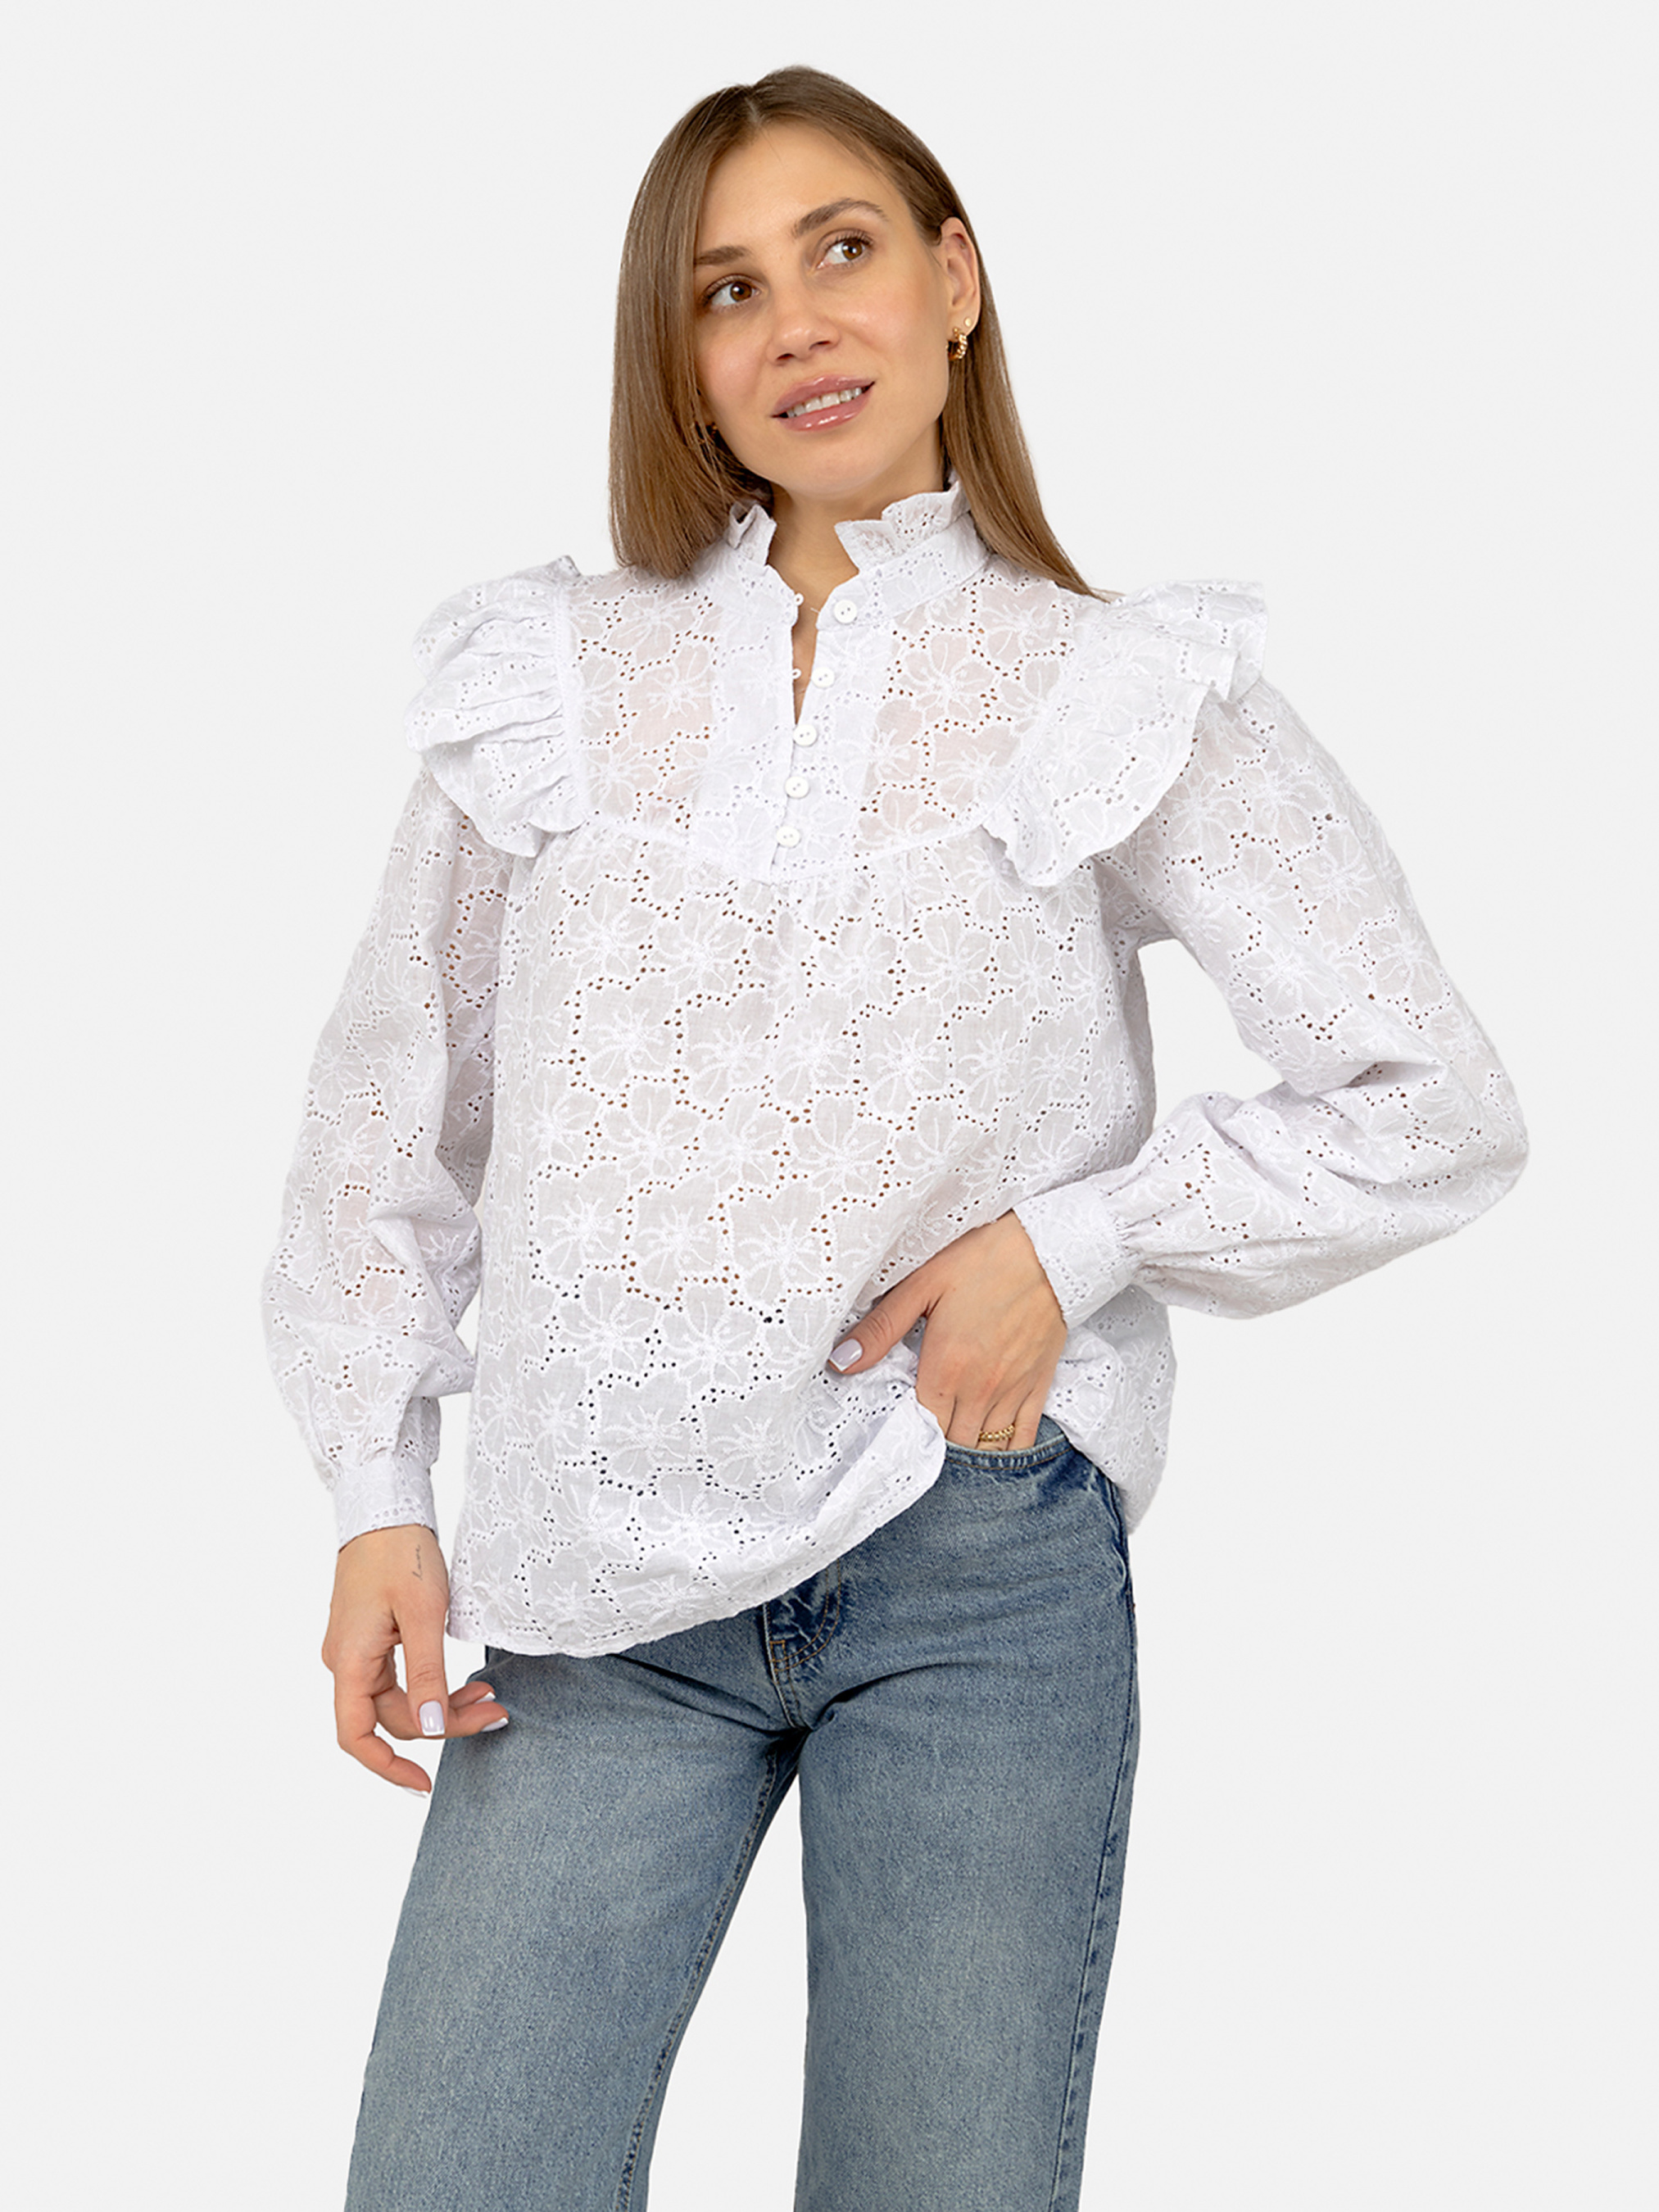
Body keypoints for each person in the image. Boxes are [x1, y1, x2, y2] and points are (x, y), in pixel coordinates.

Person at [261, 63, 1527, 2212]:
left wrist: (1074, 1243)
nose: (794, 325)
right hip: (588, 1581)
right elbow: (384, 1119)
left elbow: (1432, 1102)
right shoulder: (550, 679)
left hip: (972, 1561)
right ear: (681, 359)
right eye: (725, 289)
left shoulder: (1115, 688)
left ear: (953, 280)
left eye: (839, 249)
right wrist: (379, 1493)